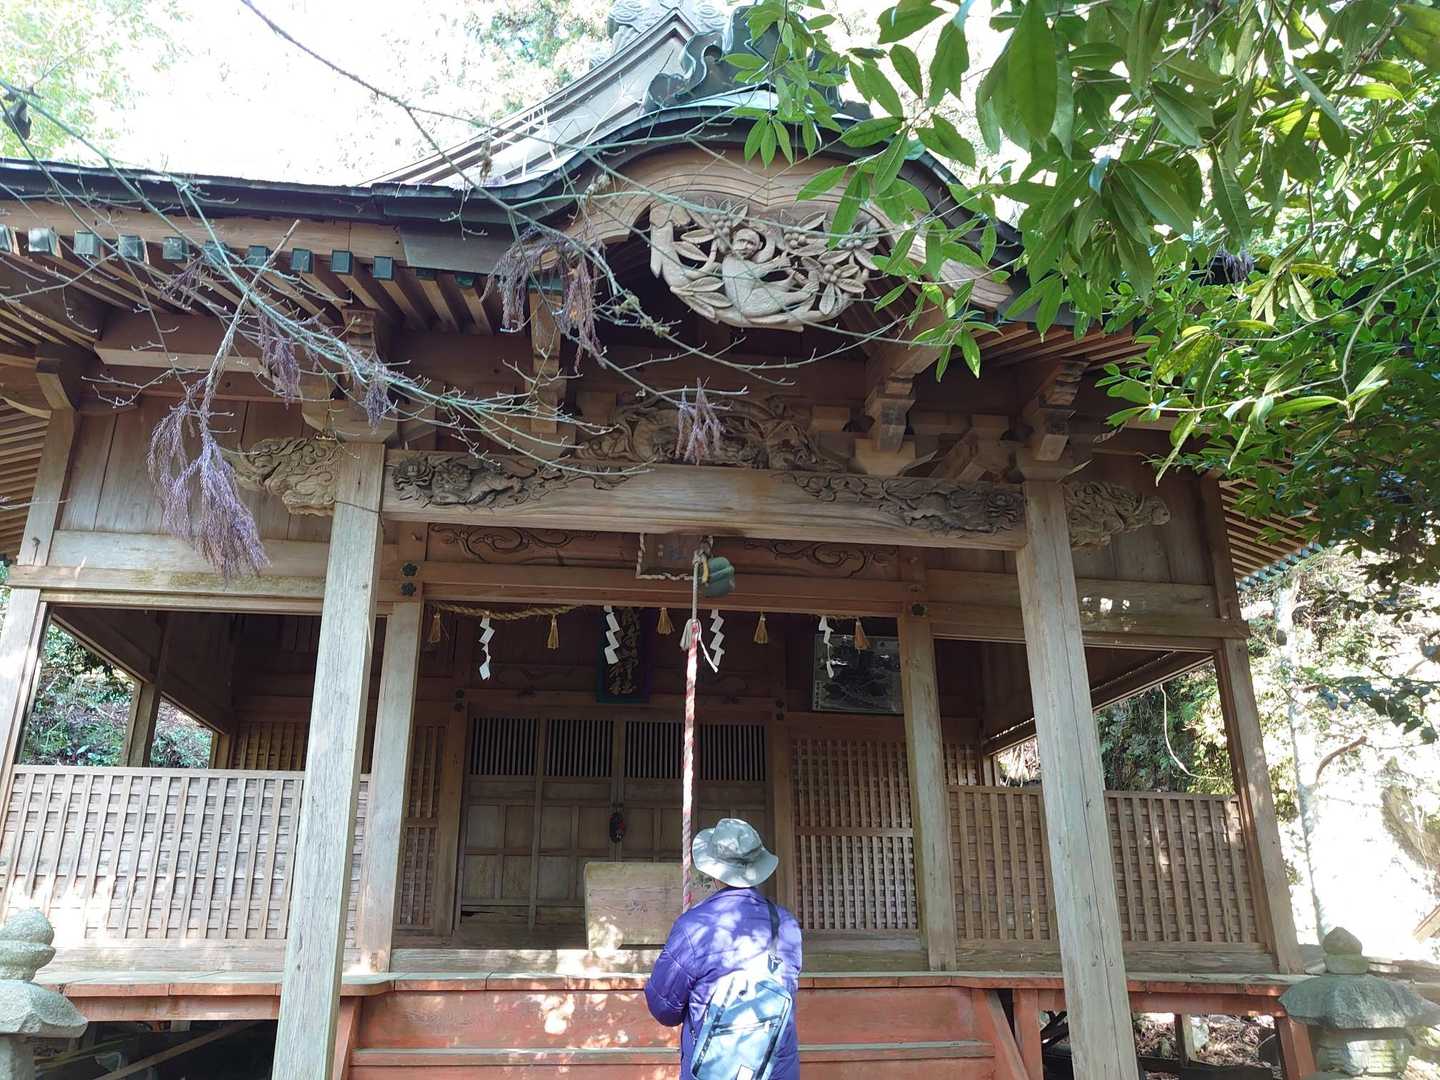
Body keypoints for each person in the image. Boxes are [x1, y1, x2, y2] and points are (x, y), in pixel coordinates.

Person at [644, 818, 803, 1079]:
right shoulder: (786, 924)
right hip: (775, 1069)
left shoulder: (694, 927)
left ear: (714, 870)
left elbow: (664, 1009)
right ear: (756, 867)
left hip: (715, 1068)